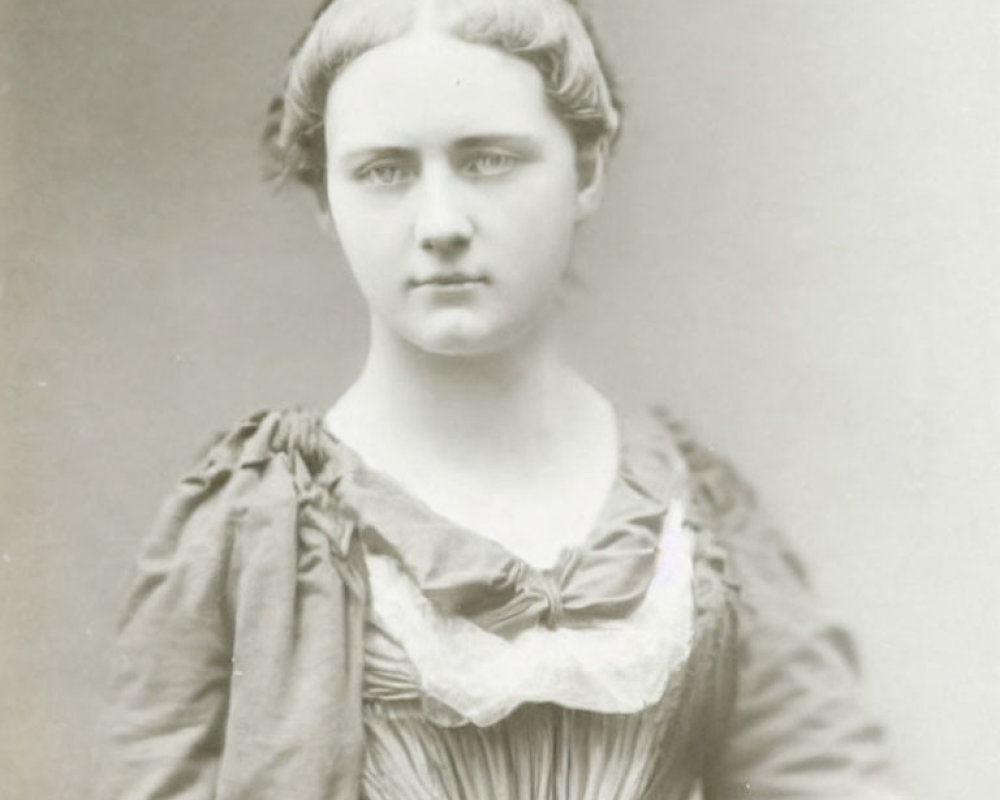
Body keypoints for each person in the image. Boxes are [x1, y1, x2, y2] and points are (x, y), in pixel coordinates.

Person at [96, 1, 900, 798]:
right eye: (384, 171)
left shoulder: (702, 520)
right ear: (324, 201)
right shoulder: (249, 528)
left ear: (586, 170)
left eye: (488, 160)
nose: (441, 223)